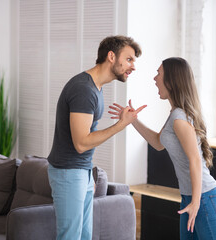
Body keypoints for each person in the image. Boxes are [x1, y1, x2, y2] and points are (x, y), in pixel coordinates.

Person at [109, 57, 216, 240]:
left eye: (159, 73)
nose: (155, 79)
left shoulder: (179, 117)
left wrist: (196, 203)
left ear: (171, 81)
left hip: (204, 198)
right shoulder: (175, 114)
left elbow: (195, 159)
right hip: (191, 197)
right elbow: (157, 142)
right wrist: (133, 121)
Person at [47, 35, 146, 240]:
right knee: (70, 237)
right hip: (68, 172)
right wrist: (121, 125)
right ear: (111, 56)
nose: (133, 67)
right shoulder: (84, 89)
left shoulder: (95, 88)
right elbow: (81, 143)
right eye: (129, 59)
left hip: (82, 171)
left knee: (84, 236)